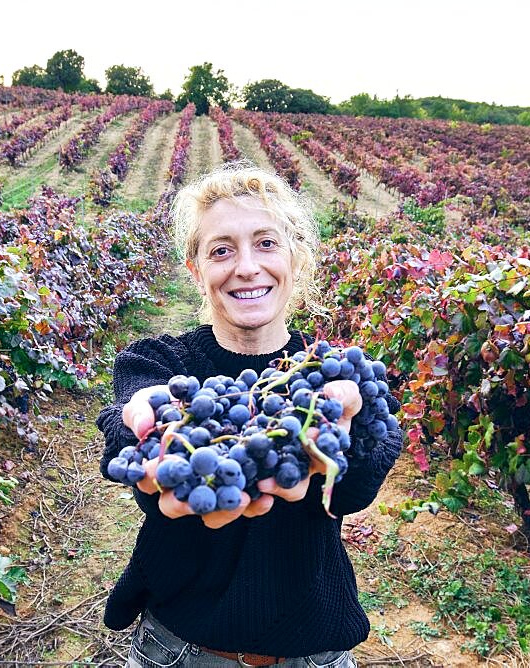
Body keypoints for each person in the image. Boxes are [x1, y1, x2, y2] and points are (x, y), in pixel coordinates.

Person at [96, 162, 403, 667]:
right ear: (197, 270)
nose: (245, 267)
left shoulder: (330, 377)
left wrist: (351, 432)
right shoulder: (159, 363)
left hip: (313, 652)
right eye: (221, 250)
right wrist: (138, 426)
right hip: (178, 650)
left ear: (294, 255)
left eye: (266, 243)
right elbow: (134, 426)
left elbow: (352, 493)